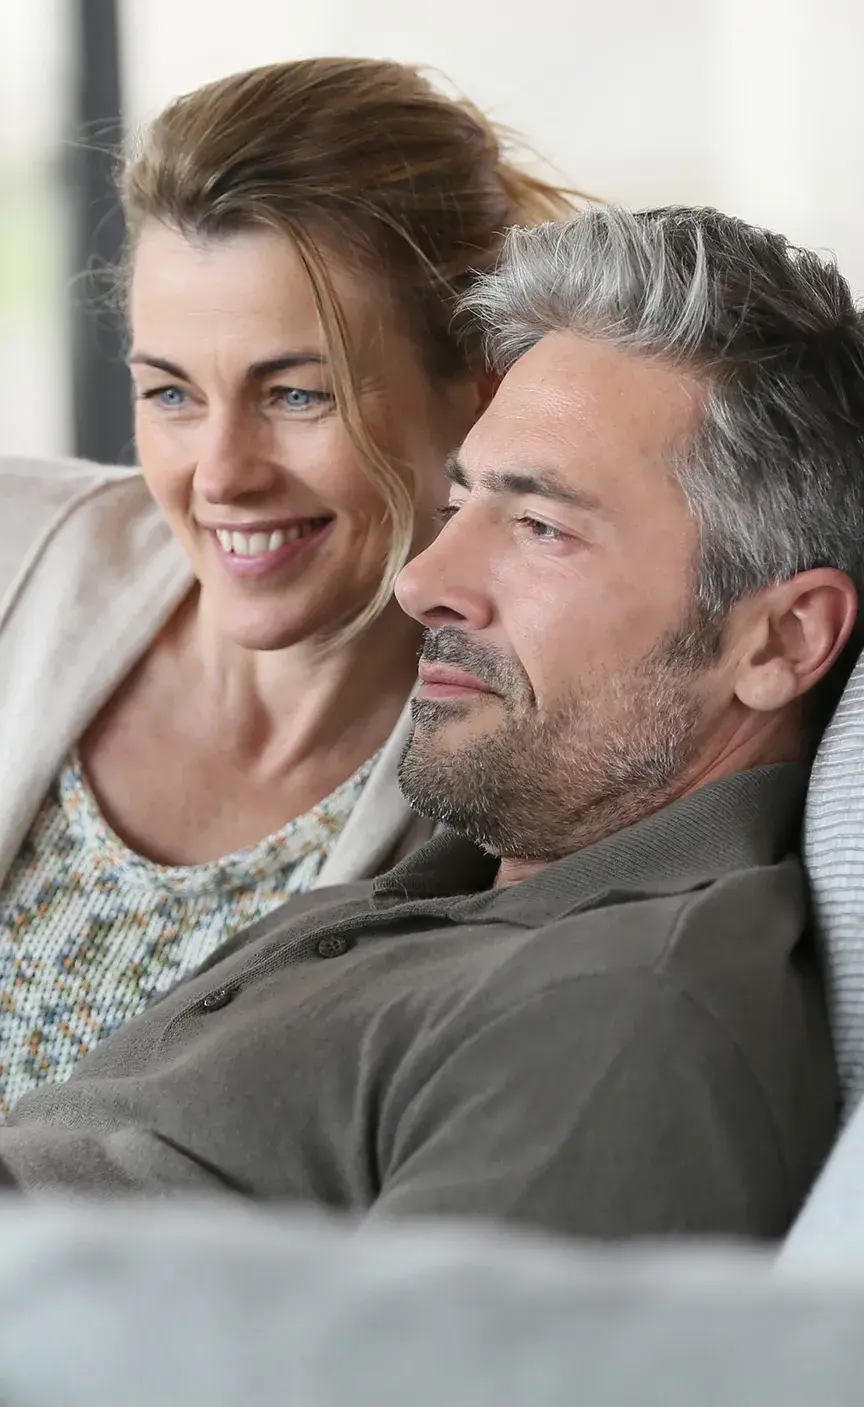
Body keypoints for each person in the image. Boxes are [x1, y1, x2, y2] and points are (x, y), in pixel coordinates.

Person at [1, 204, 861, 1241]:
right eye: (462, 510)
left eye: (542, 527)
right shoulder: (468, 878)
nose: (423, 585)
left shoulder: (617, 1022)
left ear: (780, 642)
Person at [0, 58, 573, 1117]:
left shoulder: (511, 778)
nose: (219, 474)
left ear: (483, 385)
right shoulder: (15, 551)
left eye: (295, 393)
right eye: (171, 392)